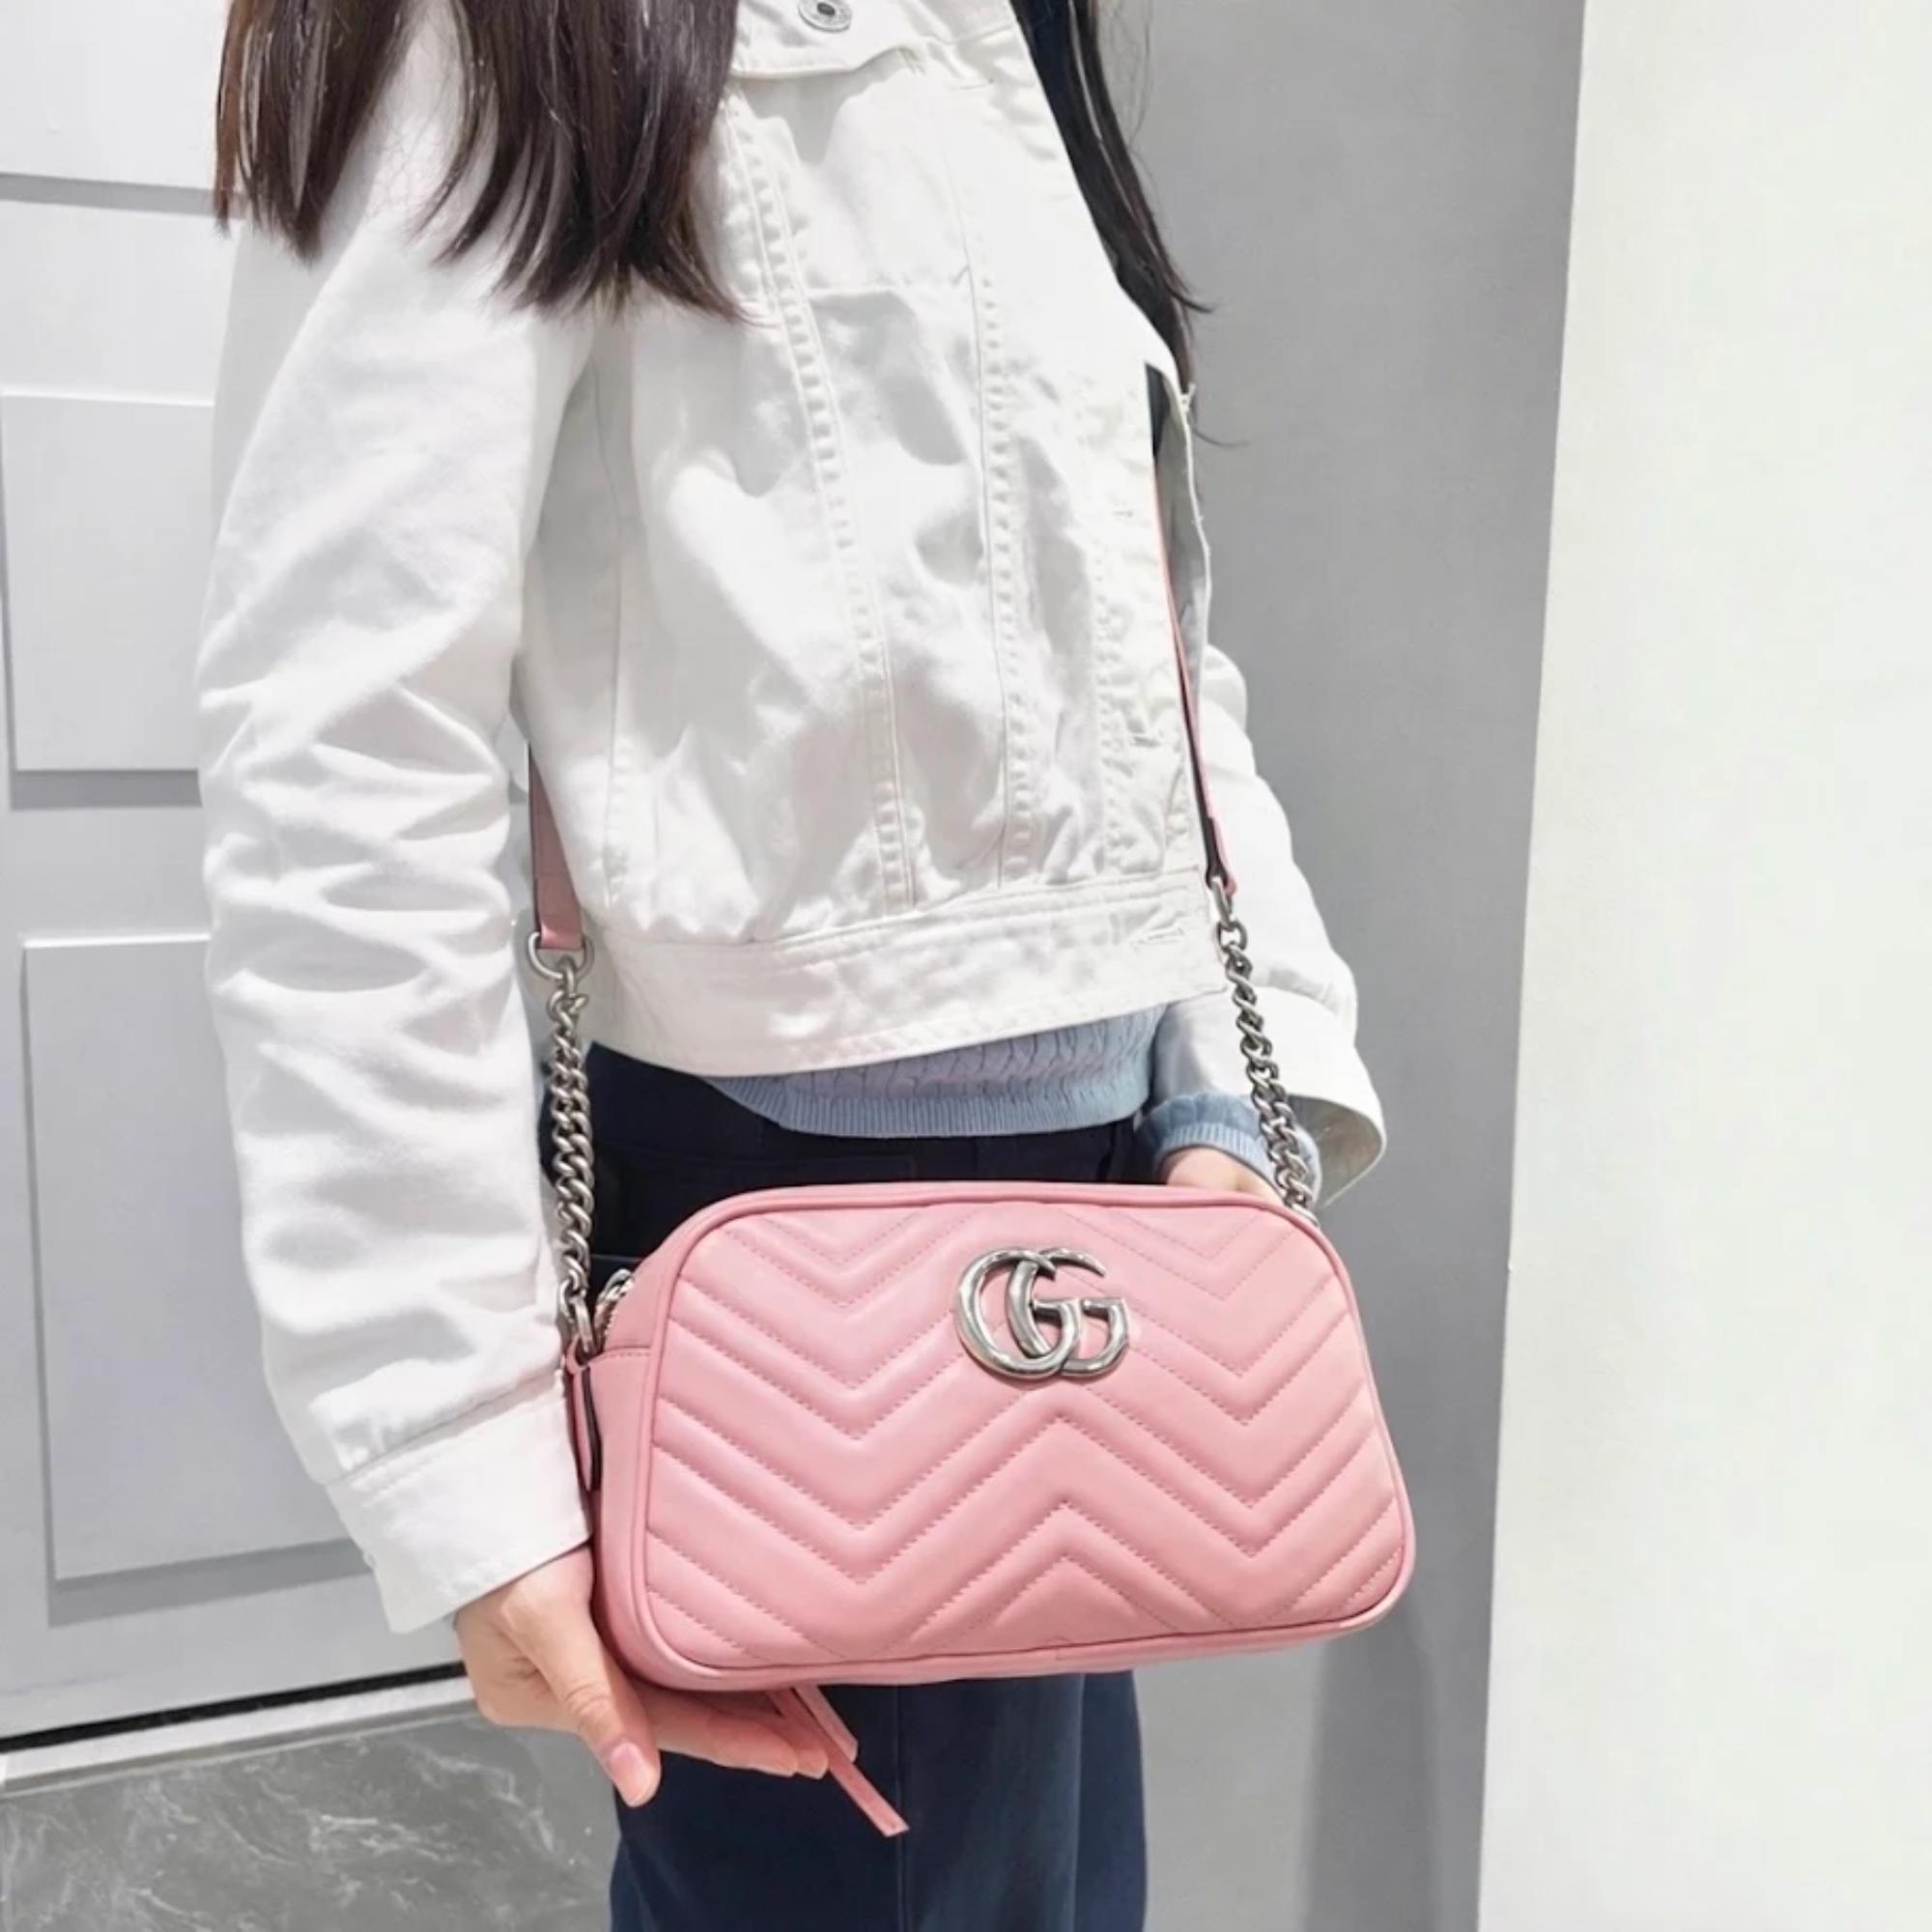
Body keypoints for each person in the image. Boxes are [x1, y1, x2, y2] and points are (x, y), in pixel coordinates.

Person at [197, 0, 1385, 1923]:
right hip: (781, 1248)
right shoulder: (513, 33)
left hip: (1107, 1225)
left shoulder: (1005, 33)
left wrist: (1222, 1101)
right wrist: (453, 1451)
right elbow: (342, 730)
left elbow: (1144, 657)